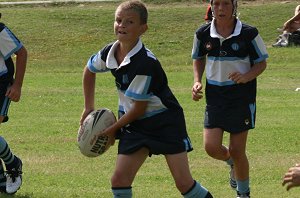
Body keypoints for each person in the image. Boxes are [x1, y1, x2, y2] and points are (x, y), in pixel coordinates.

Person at [80, 1, 213, 198]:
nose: (122, 25)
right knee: (119, 180)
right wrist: (88, 107)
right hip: (134, 126)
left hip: (165, 123)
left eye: (129, 22)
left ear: (143, 28)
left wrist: (112, 130)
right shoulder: (109, 52)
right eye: (118, 20)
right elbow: (89, 71)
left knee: (184, 183)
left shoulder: (145, 62)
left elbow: (139, 108)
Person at [191, 0, 268, 197]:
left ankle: (243, 193)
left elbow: (261, 63)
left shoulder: (249, 33)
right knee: (211, 147)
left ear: (234, 6)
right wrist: (197, 81)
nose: (221, 8)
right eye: (216, 4)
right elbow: (198, 57)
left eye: (226, 3)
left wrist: (246, 76)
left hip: (241, 98)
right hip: (215, 98)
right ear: (211, 6)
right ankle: (231, 162)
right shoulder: (203, 33)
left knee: (238, 149)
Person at [0, 13, 27, 194]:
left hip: (1, 85)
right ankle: (2, 181)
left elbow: (22, 52)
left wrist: (17, 85)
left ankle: (12, 163)